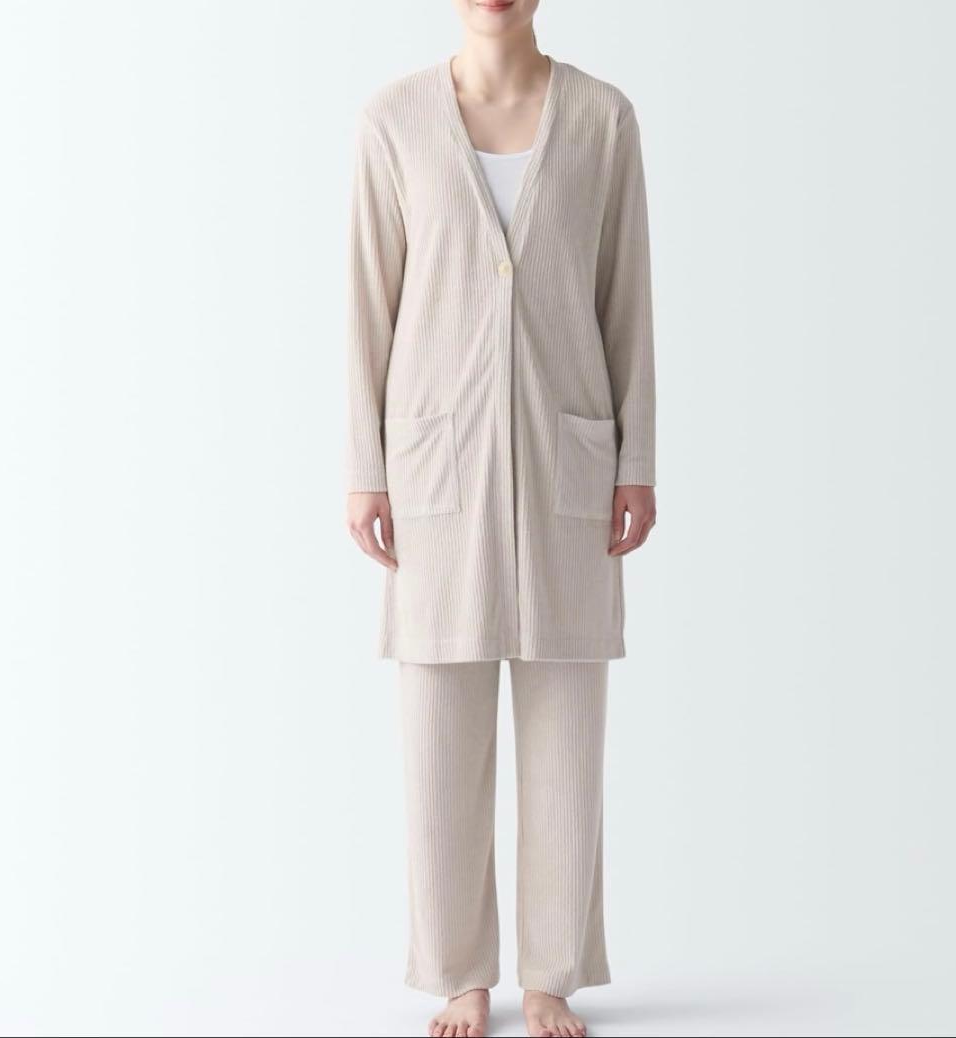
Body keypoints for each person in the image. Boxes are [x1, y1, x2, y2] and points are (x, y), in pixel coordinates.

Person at [343, 2, 656, 1035]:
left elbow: (626, 299)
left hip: (571, 461)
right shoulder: (393, 120)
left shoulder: (603, 118)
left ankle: (552, 972)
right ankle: (459, 973)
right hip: (433, 466)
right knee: (440, 735)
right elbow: (369, 303)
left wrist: (637, 460)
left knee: (567, 735)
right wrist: (365, 468)